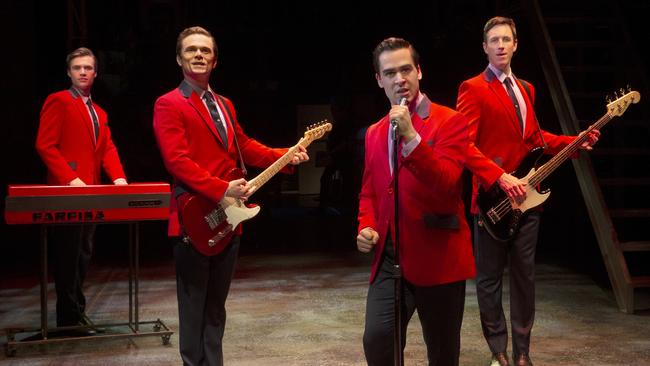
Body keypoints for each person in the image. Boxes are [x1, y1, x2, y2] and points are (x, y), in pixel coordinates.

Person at [152, 26, 309, 365]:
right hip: (194, 215)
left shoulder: (224, 104)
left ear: (215, 59)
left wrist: (285, 155)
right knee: (194, 307)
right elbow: (176, 161)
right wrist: (221, 188)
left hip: (228, 216)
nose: (198, 55)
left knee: (215, 308)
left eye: (205, 50)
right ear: (179, 58)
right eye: (191, 49)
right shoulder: (168, 104)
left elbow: (245, 146)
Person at [456, 16, 599, 366]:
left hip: (528, 201)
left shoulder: (527, 88)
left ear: (516, 44)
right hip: (492, 201)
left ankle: (522, 353)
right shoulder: (472, 88)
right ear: (485, 47)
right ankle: (499, 351)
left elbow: (535, 140)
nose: (501, 45)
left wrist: (574, 142)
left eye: (507, 39)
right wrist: (500, 177)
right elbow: (463, 144)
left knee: (525, 278)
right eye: (494, 40)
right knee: (489, 281)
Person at [356, 37, 475, 366]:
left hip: (438, 256)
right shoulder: (374, 132)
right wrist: (366, 224)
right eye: (390, 72)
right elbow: (370, 191)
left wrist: (411, 137)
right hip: (391, 257)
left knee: (442, 351)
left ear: (419, 72)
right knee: (378, 340)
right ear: (379, 80)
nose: (400, 79)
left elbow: (446, 183)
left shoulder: (450, 121)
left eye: (406, 69)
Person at [35, 47, 128, 333]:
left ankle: (76, 313)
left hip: (92, 193)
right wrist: (70, 178)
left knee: (84, 252)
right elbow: (44, 145)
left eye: (88, 68)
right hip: (68, 192)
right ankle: (68, 318)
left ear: (96, 73)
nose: (83, 72)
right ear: (69, 72)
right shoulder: (59, 101)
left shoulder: (99, 111)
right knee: (68, 254)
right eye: (77, 68)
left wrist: (119, 178)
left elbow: (107, 148)